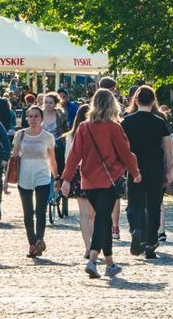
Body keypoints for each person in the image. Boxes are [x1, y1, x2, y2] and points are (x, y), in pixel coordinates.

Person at [60, 89, 140, 279]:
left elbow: (74, 155)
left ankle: (110, 264)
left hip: (88, 181)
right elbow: (125, 153)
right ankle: (93, 260)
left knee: (102, 220)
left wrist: (66, 179)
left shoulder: (83, 128)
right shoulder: (114, 128)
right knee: (102, 220)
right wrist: (135, 173)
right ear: (112, 105)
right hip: (109, 180)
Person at [121, 85, 171, 260]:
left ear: (136, 100)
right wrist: (168, 171)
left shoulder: (127, 122)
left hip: (134, 167)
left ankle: (137, 229)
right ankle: (150, 243)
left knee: (135, 204)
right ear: (153, 101)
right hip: (155, 168)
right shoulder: (160, 122)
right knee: (154, 206)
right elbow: (167, 150)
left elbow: (122, 148)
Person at [6, 104, 57, 258]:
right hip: (24, 176)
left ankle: (39, 240)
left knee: (40, 210)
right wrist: (6, 180)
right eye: (30, 116)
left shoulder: (48, 137)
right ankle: (32, 243)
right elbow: (13, 158)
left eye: (36, 116)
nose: (33, 119)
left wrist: (57, 178)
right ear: (26, 118)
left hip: (42, 175)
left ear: (42, 119)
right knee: (28, 212)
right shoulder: (20, 135)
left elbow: (52, 160)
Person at [64, 104, 94, 254]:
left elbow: (68, 158)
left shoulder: (71, 135)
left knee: (83, 213)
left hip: (77, 172)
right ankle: (95, 246)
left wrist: (66, 178)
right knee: (93, 214)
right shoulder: (94, 132)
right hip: (93, 172)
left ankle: (88, 247)